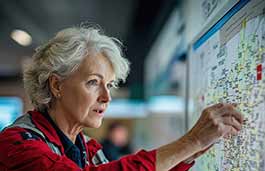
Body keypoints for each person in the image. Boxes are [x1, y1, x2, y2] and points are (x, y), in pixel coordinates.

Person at [0, 25, 244, 171]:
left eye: (110, 85)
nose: (106, 97)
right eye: (93, 82)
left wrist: (189, 153)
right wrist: (190, 142)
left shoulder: (87, 148)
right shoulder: (17, 144)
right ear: (57, 85)